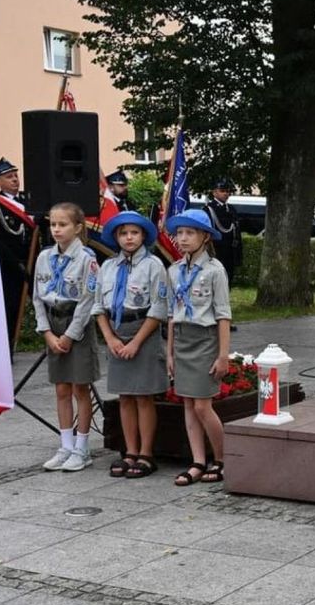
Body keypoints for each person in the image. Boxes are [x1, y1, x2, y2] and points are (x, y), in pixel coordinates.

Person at [93, 211, 169, 479]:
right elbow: (97, 306)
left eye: (134, 233)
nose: (128, 238)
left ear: (143, 236)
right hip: (116, 332)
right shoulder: (108, 267)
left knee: (143, 396)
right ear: (115, 237)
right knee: (125, 396)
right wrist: (111, 338)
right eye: (123, 233)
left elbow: (159, 308)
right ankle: (130, 451)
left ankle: (146, 454)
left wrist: (136, 342)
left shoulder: (154, 266)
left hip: (143, 332)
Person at [32, 203, 101, 472]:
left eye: (63, 225)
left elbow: (88, 299)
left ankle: (83, 448)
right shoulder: (44, 257)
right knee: (61, 388)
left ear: (78, 228)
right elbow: (38, 297)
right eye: (53, 225)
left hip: (77, 326)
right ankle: (66, 445)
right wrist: (47, 332)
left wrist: (70, 335)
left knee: (79, 388)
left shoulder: (87, 259)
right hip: (53, 322)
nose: (57, 229)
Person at [165, 209, 232, 486]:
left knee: (204, 406)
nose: (183, 238)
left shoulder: (215, 271)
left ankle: (223, 459)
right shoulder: (173, 270)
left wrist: (223, 355)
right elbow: (171, 313)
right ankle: (197, 461)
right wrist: (169, 352)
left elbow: (223, 315)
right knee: (188, 405)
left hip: (205, 340)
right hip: (182, 338)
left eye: (189, 233)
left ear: (205, 237)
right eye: (179, 233)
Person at [0, 157, 35, 352]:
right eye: (9, 177)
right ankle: (6, 347)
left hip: (32, 259)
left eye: (16, 175)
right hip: (9, 264)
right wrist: (15, 263)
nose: (15, 180)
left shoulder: (27, 201)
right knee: (10, 306)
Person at [204, 179, 243, 284]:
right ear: (214, 192)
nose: (226, 193)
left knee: (228, 280)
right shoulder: (208, 209)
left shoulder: (231, 209)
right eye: (222, 191)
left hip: (230, 252)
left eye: (227, 191)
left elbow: (236, 232)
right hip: (216, 252)